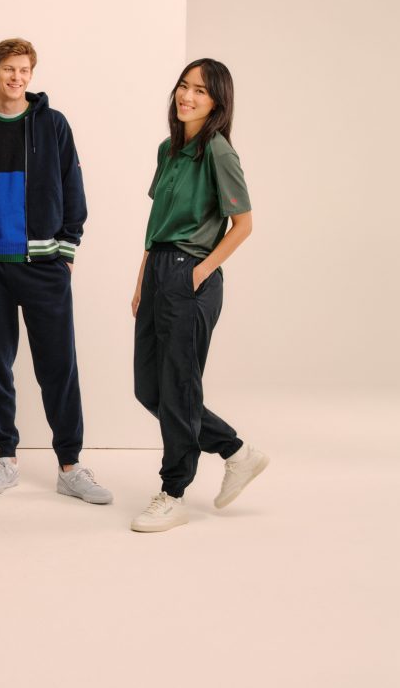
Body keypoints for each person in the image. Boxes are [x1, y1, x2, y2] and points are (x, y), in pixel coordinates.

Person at [0, 39, 110, 504]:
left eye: (24, 70)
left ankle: (70, 465)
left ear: (31, 74)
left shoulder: (53, 124)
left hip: (45, 265)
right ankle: (5, 457)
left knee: (59, 366)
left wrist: (66, 251)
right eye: (9, 69)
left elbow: (73, 186)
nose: (17, 77)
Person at [129, 58, 268, 532]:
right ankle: (236, 451)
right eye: (184, 86)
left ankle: (173, 493)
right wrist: (142, 279)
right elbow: (156, 225)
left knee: (179, 388)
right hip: (159, 272)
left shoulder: (218, 152)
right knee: (150, 388)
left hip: (190, 274)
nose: (187, 96)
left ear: (217, 102)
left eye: (201, 91)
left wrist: (201, 270)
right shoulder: (169, 150)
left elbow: (243, 224)